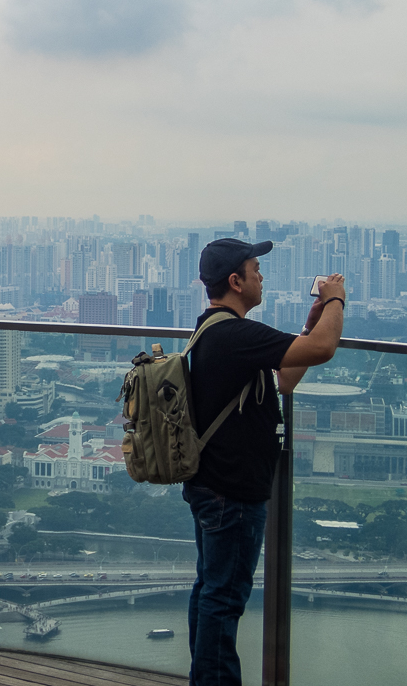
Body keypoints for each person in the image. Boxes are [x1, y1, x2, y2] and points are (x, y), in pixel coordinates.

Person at [185, 237, 345, 686]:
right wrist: (335, 299)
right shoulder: (235, 335)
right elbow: (324, 349)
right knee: (224, 597)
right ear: (235, 281)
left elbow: (286, 380)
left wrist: (312, 322)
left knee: (211, 590)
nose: (261, 276)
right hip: (231, 493)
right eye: (255, 269)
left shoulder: (214, 330)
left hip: (212, 486)